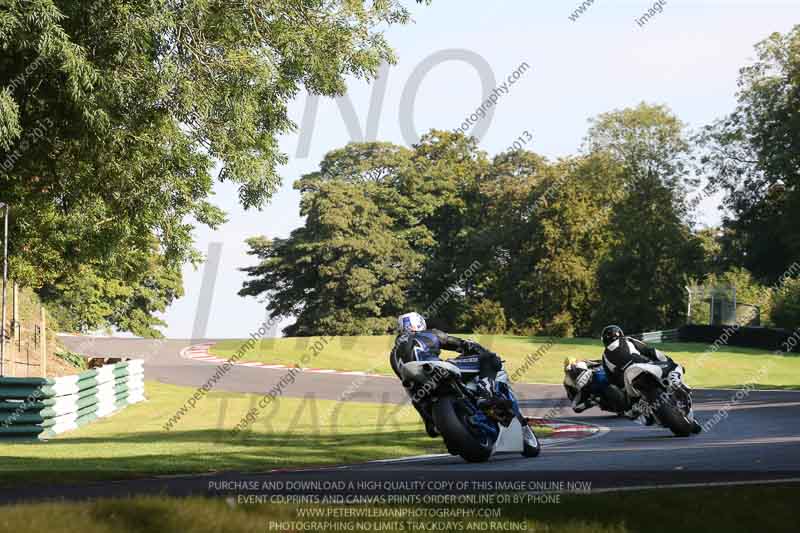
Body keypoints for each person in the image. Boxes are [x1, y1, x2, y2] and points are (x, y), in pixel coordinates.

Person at [389, 312, 510, 438]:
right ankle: (486, 394)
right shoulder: (430, 334)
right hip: (437, 369)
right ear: (420, 323)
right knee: (489, 358)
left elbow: (403, 378)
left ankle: (431, 423)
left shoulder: (393, 354)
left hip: (419, 390)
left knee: (415, 397)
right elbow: (461, 344)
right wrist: (477, 349)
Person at [599, 325, 685, 423]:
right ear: (620, 334)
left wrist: (624, 389)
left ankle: (641, 411)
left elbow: (612, 379)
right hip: (644, 365)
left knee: (631, 409)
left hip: (629, 382)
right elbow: (648, 350)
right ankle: (674, 378)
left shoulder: (604, 356)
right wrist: (666, 360)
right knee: (674, 365)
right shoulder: (628, 340)